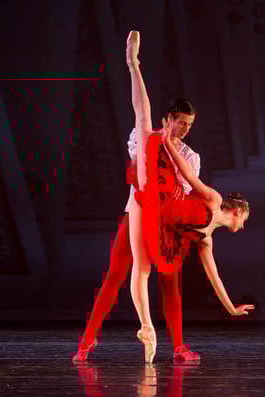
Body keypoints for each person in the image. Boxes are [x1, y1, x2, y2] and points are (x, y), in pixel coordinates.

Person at [126, 30, 255, 363]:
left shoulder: (206, 239)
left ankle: (147, 327)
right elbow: (188, 175)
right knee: (143, 121)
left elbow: (214, 277)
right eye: (245, 220)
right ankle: (133, 63)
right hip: (156, 194)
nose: (243, 227)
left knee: (143, 267)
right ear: (237, 210)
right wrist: (167, 143)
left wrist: (231, 308)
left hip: (156, 220)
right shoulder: (213, 200)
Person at [71, 73, 201, 363]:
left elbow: (184, 189)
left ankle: (179, 346)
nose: (186, 129)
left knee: (170, 281)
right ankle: (87, 340)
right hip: (138, 212)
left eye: (190, 124)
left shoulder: (190, 156)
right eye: (182, 122)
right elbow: (138, 170)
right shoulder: (144, 138)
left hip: (166, 222)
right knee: (116, 273)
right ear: (169, 119)